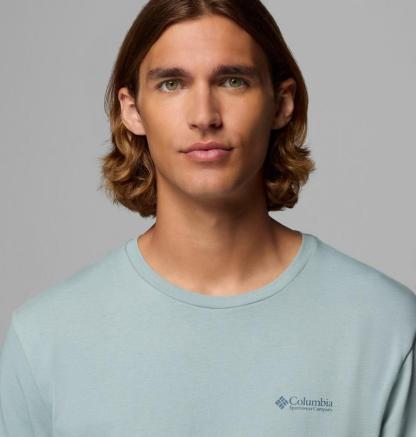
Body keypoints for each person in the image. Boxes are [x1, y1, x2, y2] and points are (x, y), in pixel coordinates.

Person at [0, 0, 415, 435]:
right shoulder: (45, 339)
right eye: (171, 84)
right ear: (132, 110)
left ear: (281, 103)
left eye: (233, 81)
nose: (204, 117)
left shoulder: (383, 326)